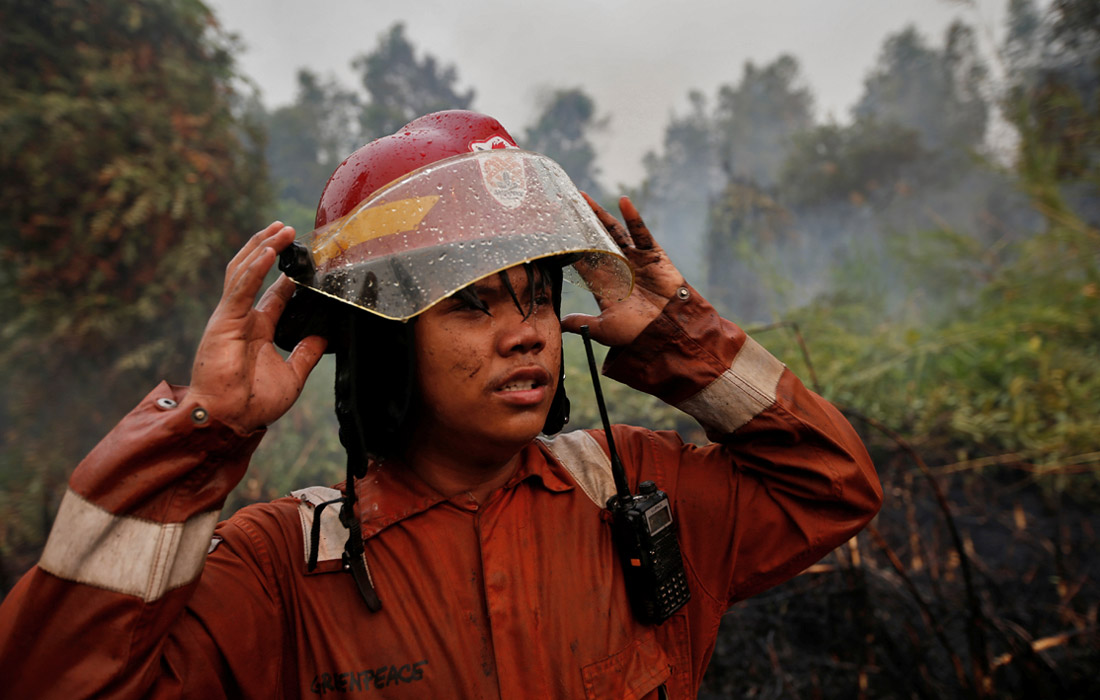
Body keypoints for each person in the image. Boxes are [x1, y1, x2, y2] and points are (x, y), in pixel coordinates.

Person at [0, 110, 881, 699]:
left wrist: (679, 338)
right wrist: (204, 435)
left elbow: (831, 489)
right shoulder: (280, 572)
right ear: (385, 341)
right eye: (470, 303)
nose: (527, 331)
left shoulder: (634, 492)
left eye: (535, 294)